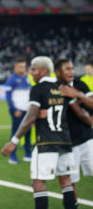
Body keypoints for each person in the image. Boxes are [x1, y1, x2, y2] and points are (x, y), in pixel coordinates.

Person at [1, 56, 77, 209]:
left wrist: (14, 141)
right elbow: (73, 113)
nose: (31, 72)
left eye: (34, 69)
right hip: (65, 141)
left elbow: (30, 117)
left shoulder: (37, 89)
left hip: (46, 142)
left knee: (38, 182)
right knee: (66, 180)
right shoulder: (63, 87)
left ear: (43, 71)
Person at [55, 59, 93, 199]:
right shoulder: (53, 89)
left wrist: (78, 94)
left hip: (87, 138)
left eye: (72, 68)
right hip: (67, 144)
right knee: (69, 181)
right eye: (67, 69)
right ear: (58, 72)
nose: (71, 71)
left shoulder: (79, 84)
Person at [5, 57, 32, 164]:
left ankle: (28, 154)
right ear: (15, 67)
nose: (23, 68)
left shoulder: (27, 78)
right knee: (16, 133)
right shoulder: (11, 79)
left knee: (28, 132)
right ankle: (13, 156)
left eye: (24, 66)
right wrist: (14, 109)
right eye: (20, 66)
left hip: (27, 110)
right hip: (17, 110)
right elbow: (8, 96)